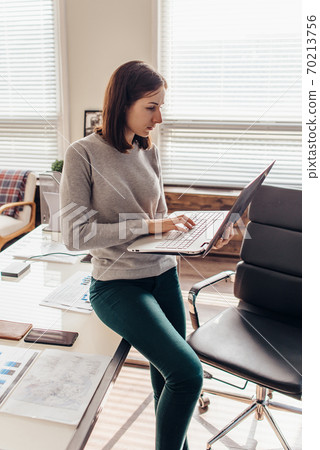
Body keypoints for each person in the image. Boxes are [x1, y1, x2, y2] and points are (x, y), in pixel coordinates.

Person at [60, 60, 233, 450]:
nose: (159, 117)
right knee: (189, 375)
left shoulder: (146, 149)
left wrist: (200, 239)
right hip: (117, 286)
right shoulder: (82, 154)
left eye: (161, 106)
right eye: (151, 106)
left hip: (164, 273)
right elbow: (74, 234)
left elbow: (158, 221)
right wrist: (150, 225)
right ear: (123, 103)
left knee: (169, 381)